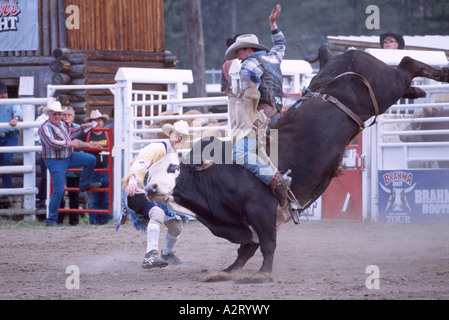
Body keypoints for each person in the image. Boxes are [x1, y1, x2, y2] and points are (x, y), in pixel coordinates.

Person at [224, 4, 290, 206]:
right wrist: (273, 24)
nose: (238, 55)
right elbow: (281, 44)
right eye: (236, 52)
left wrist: (245, 119)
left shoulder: (249, 65)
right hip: (277, 109)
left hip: (262, 113)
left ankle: (277, 181)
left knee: (238, 153)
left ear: (249, 49)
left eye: (240, 51)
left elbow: (251, 94)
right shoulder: (272, 57)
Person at [121, 120, 190, 269]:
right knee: (157, 213)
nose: (180, 139)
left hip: (154, 194)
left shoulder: (174, 156)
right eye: (177, 135)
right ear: (171, 134)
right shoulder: (158, 148)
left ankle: (167, 254)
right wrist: (133, 182)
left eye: (183, 137)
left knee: (177, 225)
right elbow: (140, 163)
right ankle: (150, 257)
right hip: (138, 188)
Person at [38, 99, 101, 227]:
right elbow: (51, 143)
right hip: (55, 160)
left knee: (91, 159)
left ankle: (84, 183)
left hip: (68, 156)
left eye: (58, 114)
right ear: (49, 114)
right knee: (59, 190)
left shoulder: (62, 125)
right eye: (54, 114)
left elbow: (71, 132)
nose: (57, 116)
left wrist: (84, 126)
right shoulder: (44, 127)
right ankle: (51, 221)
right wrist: (69, 143)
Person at [78, 110, 112, 225]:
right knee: (93, 199)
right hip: (92, 171)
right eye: (94, 121)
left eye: (99, 120)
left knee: (106, 198)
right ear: (90, 122)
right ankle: (94, 223)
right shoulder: (86, 134)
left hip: (106, 170)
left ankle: (105, 222)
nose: (97, 123)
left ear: (103, 122)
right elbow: (77, 144)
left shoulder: (108, 133)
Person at [57, 106, 81, 226]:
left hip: (74, 162)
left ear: (73, 116)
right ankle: (59, 219)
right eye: (64, 114)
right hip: (61, 161)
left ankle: (74, 221)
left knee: (74, 193)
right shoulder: (58, 127)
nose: (67, 116)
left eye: (69, 114)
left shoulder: (77, 128)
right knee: (59, 192)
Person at [0, 82, 22, 193]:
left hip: (11, 136)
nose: (3, 95)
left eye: (5, 93)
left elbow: (18, 112)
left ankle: (6, 191)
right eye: (1, 93)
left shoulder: (12, 102)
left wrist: (15, 118)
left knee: (7, 160)